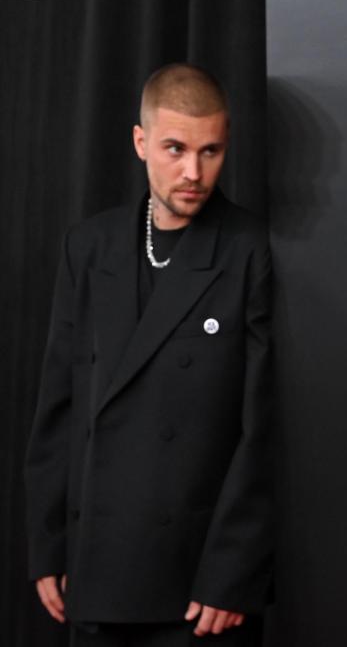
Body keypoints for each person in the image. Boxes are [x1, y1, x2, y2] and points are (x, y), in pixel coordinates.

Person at [25, 63, 272, 646]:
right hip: (95, 568)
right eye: (175, 148)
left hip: (195, 589)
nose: (193, 172)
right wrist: (47, 546)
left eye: (210, 151)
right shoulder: (89, 247)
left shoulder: (249, 251)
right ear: (141, 143)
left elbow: (264, 429)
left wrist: (231, 574)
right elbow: (58, 411)